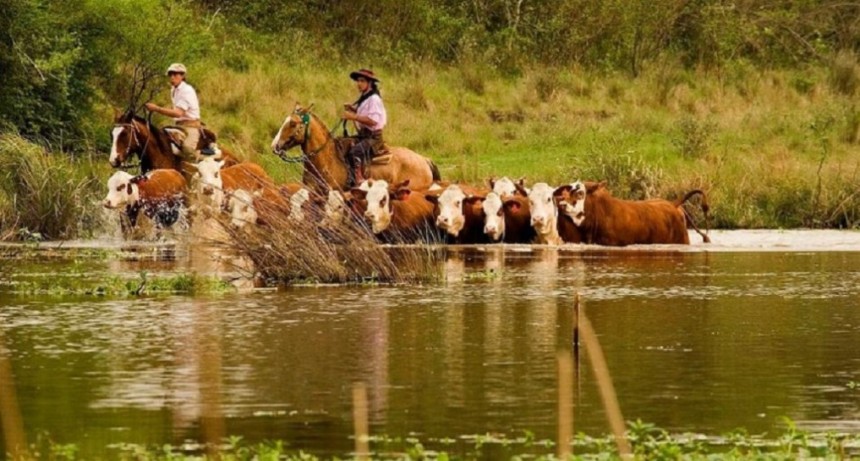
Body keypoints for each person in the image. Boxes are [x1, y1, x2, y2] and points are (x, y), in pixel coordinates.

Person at [145, 63, 202, 165]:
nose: (172, 77)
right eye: (170, 75)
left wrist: (156, 108)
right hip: (179, 126)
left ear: (182, 76)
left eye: (175, 74)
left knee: (187, 149)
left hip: (191, 126)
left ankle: (198, 166)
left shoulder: (187, 90)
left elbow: (178, 113)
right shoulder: (174, 90)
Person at [342, 69, 387, 185]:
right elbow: (366, 114)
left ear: (370, 83)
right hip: (364, 135)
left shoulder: (374, 99)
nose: (359, 84)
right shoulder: (366, 97)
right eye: (358, 81)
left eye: (362, 81)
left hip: (373, 138)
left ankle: (358, 178)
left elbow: (373, 121)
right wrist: (354, 110)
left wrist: (353, 117)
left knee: (355, 152)